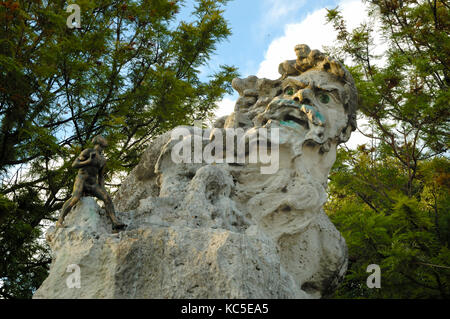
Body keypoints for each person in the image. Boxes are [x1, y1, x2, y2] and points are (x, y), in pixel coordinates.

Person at [56, 135, 126, 230]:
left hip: (93, 184)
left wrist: (103, 189)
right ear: (97, 143)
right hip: (82, 180)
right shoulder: (87, 151)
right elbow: (75, 164)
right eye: (100, 145)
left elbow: (101, 176)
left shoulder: (103, 160)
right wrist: (88, 161)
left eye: (102, 146)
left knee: (107, 198)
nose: (101, 148)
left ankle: (114, 222)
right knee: (75, 198)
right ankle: (60, 220)